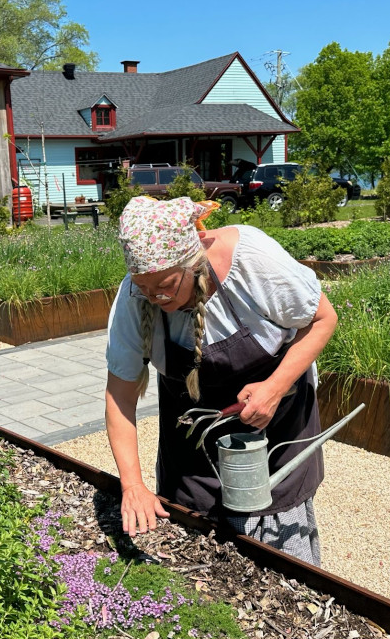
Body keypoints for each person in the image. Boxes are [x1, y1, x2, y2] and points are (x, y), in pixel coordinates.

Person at [104, 196, 338, 565]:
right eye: (145, 289)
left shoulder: (252, 259)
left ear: (193, 262)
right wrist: (132, 486)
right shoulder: (136, 296)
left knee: (281, 573)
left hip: (274, 435)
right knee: (201, 566)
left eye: (165, 286)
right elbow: (120, 396)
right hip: (192, 450)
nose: (155, 298)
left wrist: (274, 388)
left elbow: (323, 319)